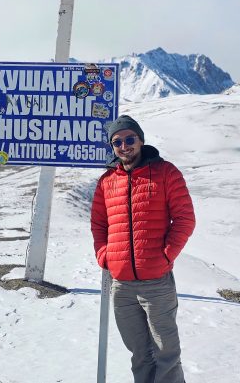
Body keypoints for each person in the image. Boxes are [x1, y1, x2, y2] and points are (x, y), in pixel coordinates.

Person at [91, 115, 195, 383]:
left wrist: (165, 256)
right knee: (139, 353)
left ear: (141, 140)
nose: (124, 146)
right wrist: (105, 256)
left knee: (166, 351)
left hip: (157, 282)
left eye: (129, 139)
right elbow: (98, 224)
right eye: (117, 142)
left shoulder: (166, 172)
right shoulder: (106, 181)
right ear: (112, 147)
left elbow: (185, 218)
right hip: (122, 284)